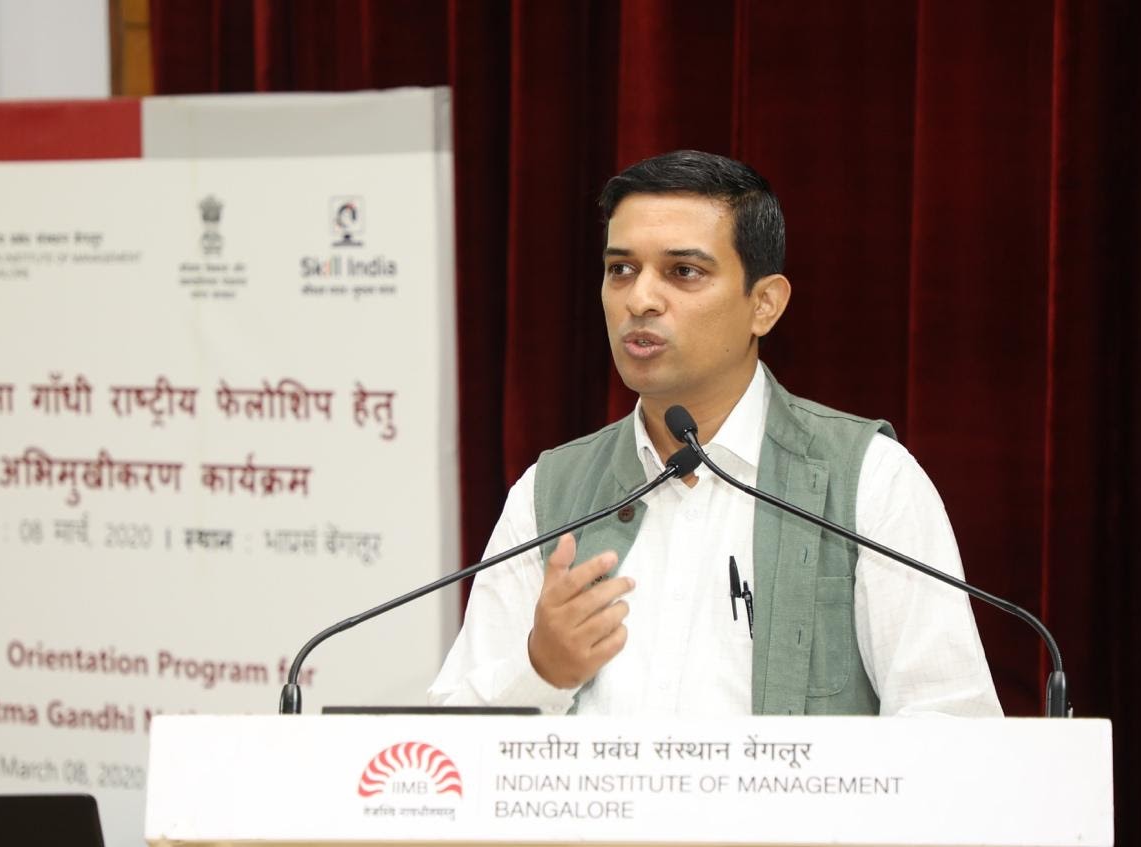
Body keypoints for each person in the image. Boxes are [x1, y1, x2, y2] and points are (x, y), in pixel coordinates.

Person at [429, 150, 1001, 717]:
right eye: (620, 269)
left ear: (765, 304)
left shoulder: (869, 480)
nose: (640, 299)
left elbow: (951, 730)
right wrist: (542, 670)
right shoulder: (549, 493)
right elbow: (449, 750)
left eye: (684, 272)